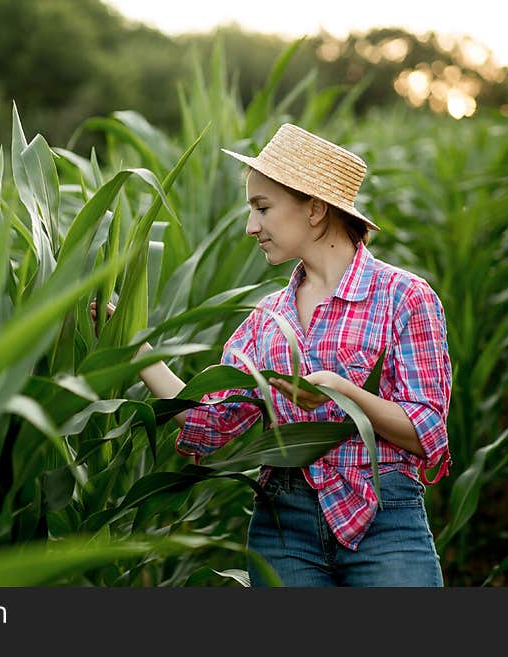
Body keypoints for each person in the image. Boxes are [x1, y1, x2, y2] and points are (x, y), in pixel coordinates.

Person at [91, 123, 452, 587]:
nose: (250, 226)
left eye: (262, 208)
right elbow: (212, 425)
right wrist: (136, 349)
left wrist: (343, 394)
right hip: (284, 527)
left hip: (385, 519)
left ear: (316, 208)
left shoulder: (403, 297)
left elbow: (427, 433)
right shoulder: (268, 320)